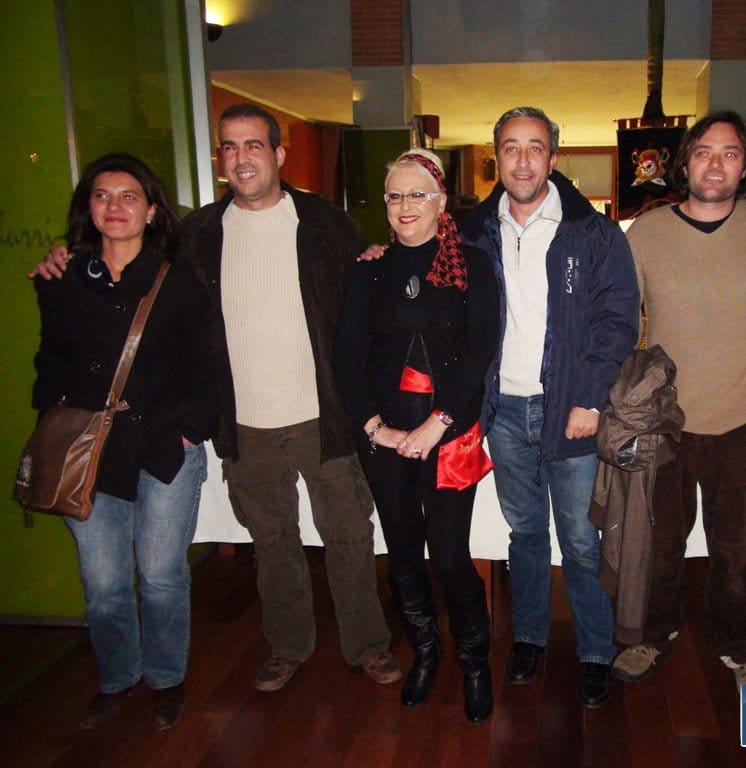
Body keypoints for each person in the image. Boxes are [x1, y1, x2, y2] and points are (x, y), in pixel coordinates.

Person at [32, 104, 400, 694]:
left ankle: (368, 645)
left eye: (253, 145)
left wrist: (382, 256)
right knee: (272, 542)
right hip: (243, 421)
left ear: (278, 154)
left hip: (323, 414)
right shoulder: (196, 234)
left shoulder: (328, 224)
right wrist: (64, 253)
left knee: (349, 535)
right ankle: (288, 647)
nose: (241, 157)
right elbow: (124, 261)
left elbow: (367, 294)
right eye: (229, 146)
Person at [30, 153, 217, 730]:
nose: (115, 207)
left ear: (152, 210)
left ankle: (166, 678)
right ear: (88, 207)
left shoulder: (178, 279)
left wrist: (190, 431)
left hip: (163, 447)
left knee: (161, 575)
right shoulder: (62, 279)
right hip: (90, 450)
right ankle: (117, 677)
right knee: (104, 582)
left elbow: (208, 363)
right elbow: (51, 360)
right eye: (102, 195)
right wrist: (55, 424)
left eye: (129, 196)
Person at [461, 107, 640, 708]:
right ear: (496, 158)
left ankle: (595, 650)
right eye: (510, 148)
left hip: (571, 410)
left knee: (581, 541)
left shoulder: (593, 233)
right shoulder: (472, 231)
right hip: (504, 411)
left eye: (535, 148)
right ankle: (530, 637)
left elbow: (617, 321)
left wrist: (589, 397)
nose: (522, 161)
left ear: (553, 158)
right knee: (526, 534)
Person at [617, 111, 746, 690]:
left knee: (735, 549)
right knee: (661, 543)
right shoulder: (647, 233)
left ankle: (741, 649)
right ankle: (653, 634)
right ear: (685, 162)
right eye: (704, 152)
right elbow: (619, 320)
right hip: (666, 421)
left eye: (730, 153)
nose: (716, 165)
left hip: (743, 416)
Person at [334, 149, 500, 723]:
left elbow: (481, 352)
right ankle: (426, 654)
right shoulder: (369, 269)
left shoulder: (472, 264)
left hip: (449, 435)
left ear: (440, 201)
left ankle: (474, 661)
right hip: (385, 440)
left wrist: (438, 424)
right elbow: (346, 358)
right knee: (403, 555)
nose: (405, 205)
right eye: (395, 195)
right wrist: (374, 428)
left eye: (417, 194)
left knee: (450, 557)